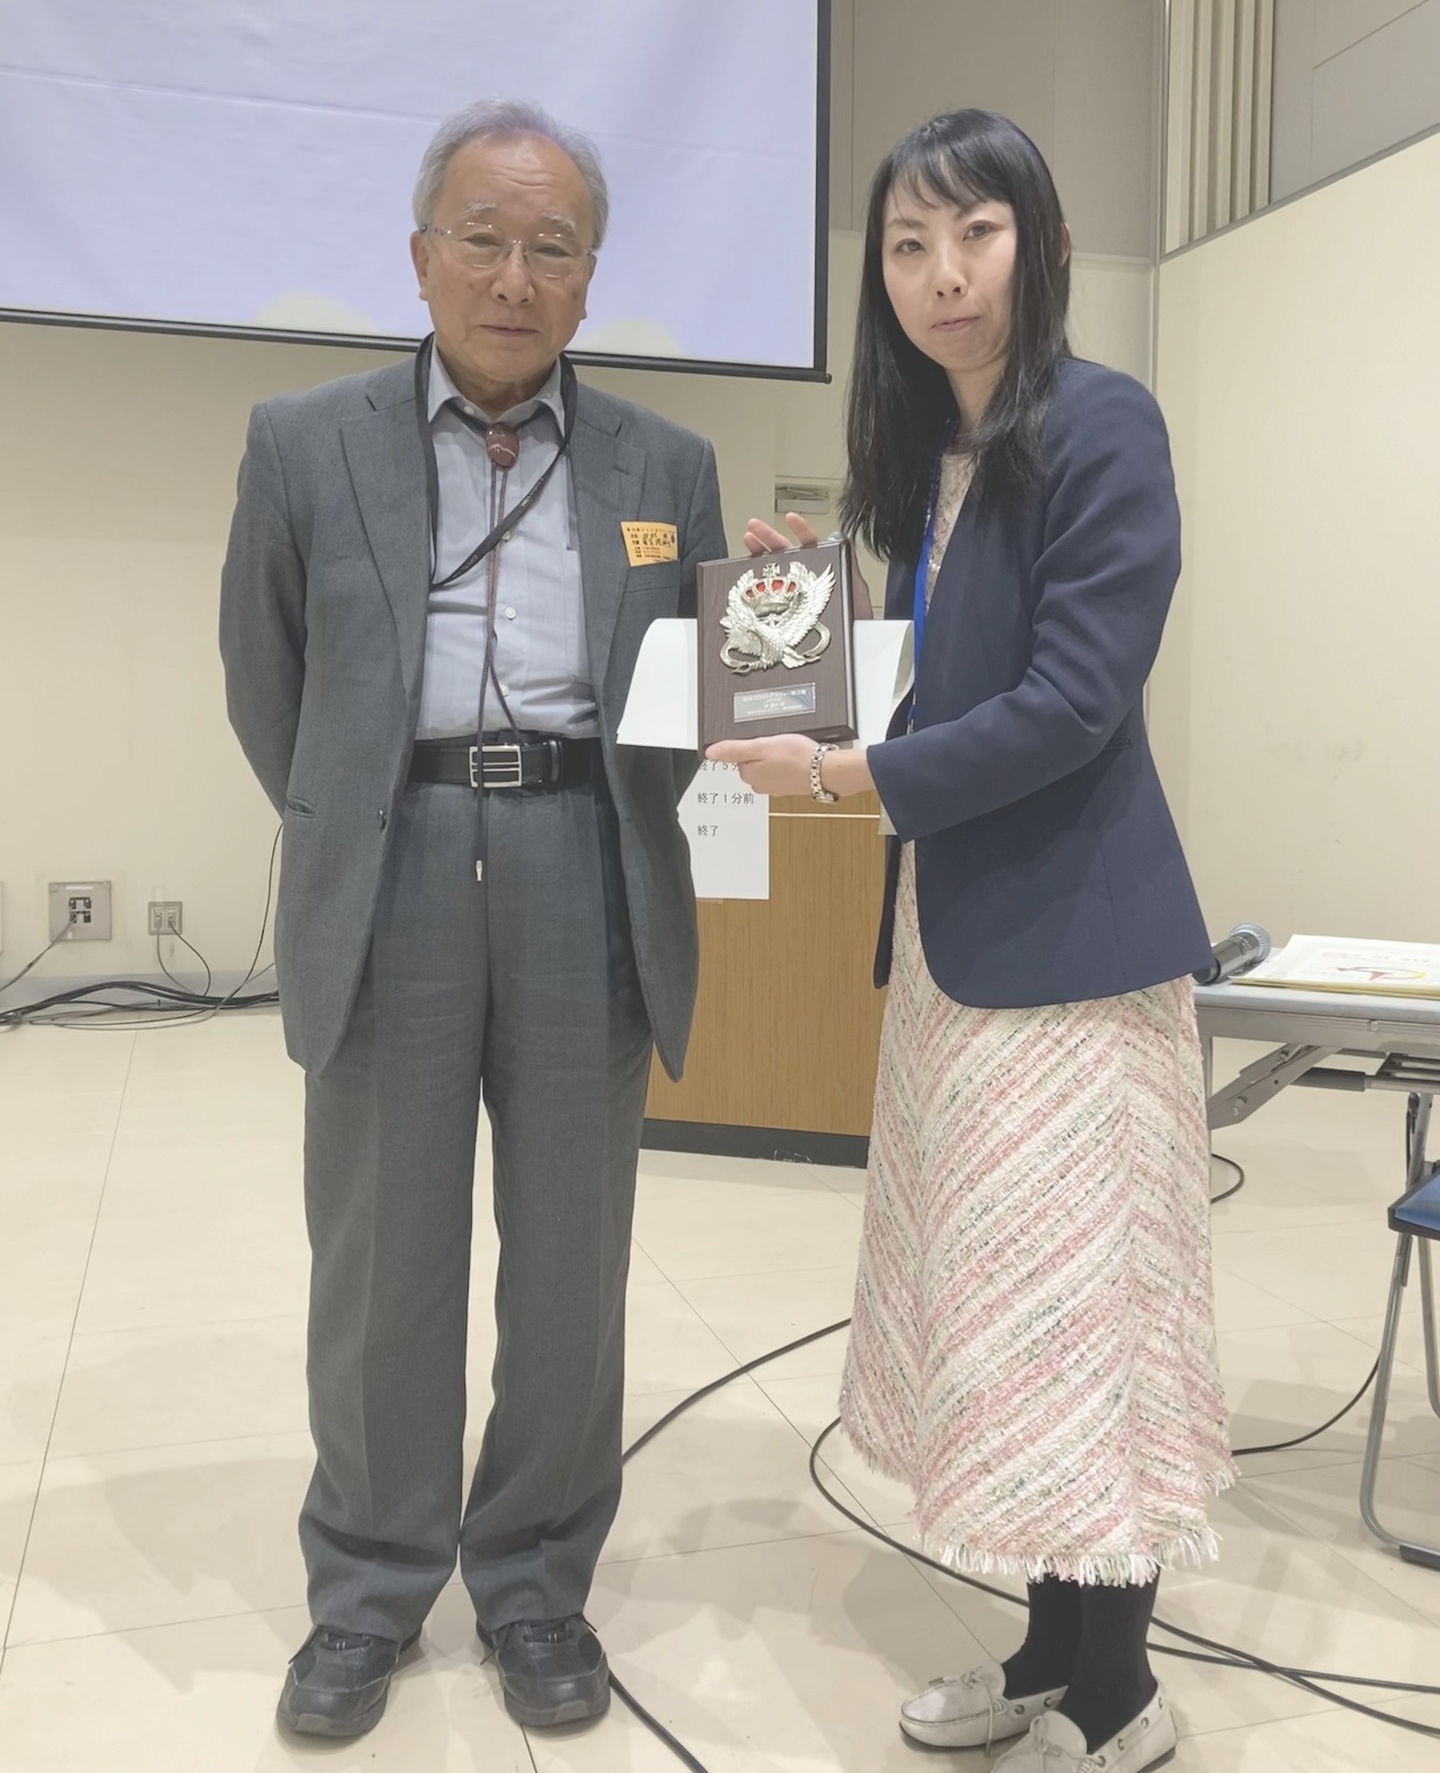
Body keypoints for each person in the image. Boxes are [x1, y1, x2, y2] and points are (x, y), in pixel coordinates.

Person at [710, 108, 1233, 1773]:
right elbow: (951, 682)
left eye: (977, 235)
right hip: (960, 955)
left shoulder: (1103, 423)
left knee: (1089, 1332)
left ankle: (1122, 1697)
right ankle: (1049, 1653)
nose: (944, 275)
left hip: (1077, 964)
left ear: (1046, 247)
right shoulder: (925, 457)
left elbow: (1072, 704)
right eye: (908, 246)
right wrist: (807, 624)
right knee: (1013, 1327)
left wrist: (842, 774)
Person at [220, 98, 727, 1741]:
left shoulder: (668, 465)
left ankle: (535, 1583)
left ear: (590, 278)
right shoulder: (304, 442)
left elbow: (697, 699)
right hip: (398, 861)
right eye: (484, 239)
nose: (515, 276)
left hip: (588, 856)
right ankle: (368, 1588)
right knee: (383, 1252)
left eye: (552, 247)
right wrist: (368, 813)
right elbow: (267, 682)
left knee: (574, 1256)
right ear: (423, 253)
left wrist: (788, 610)